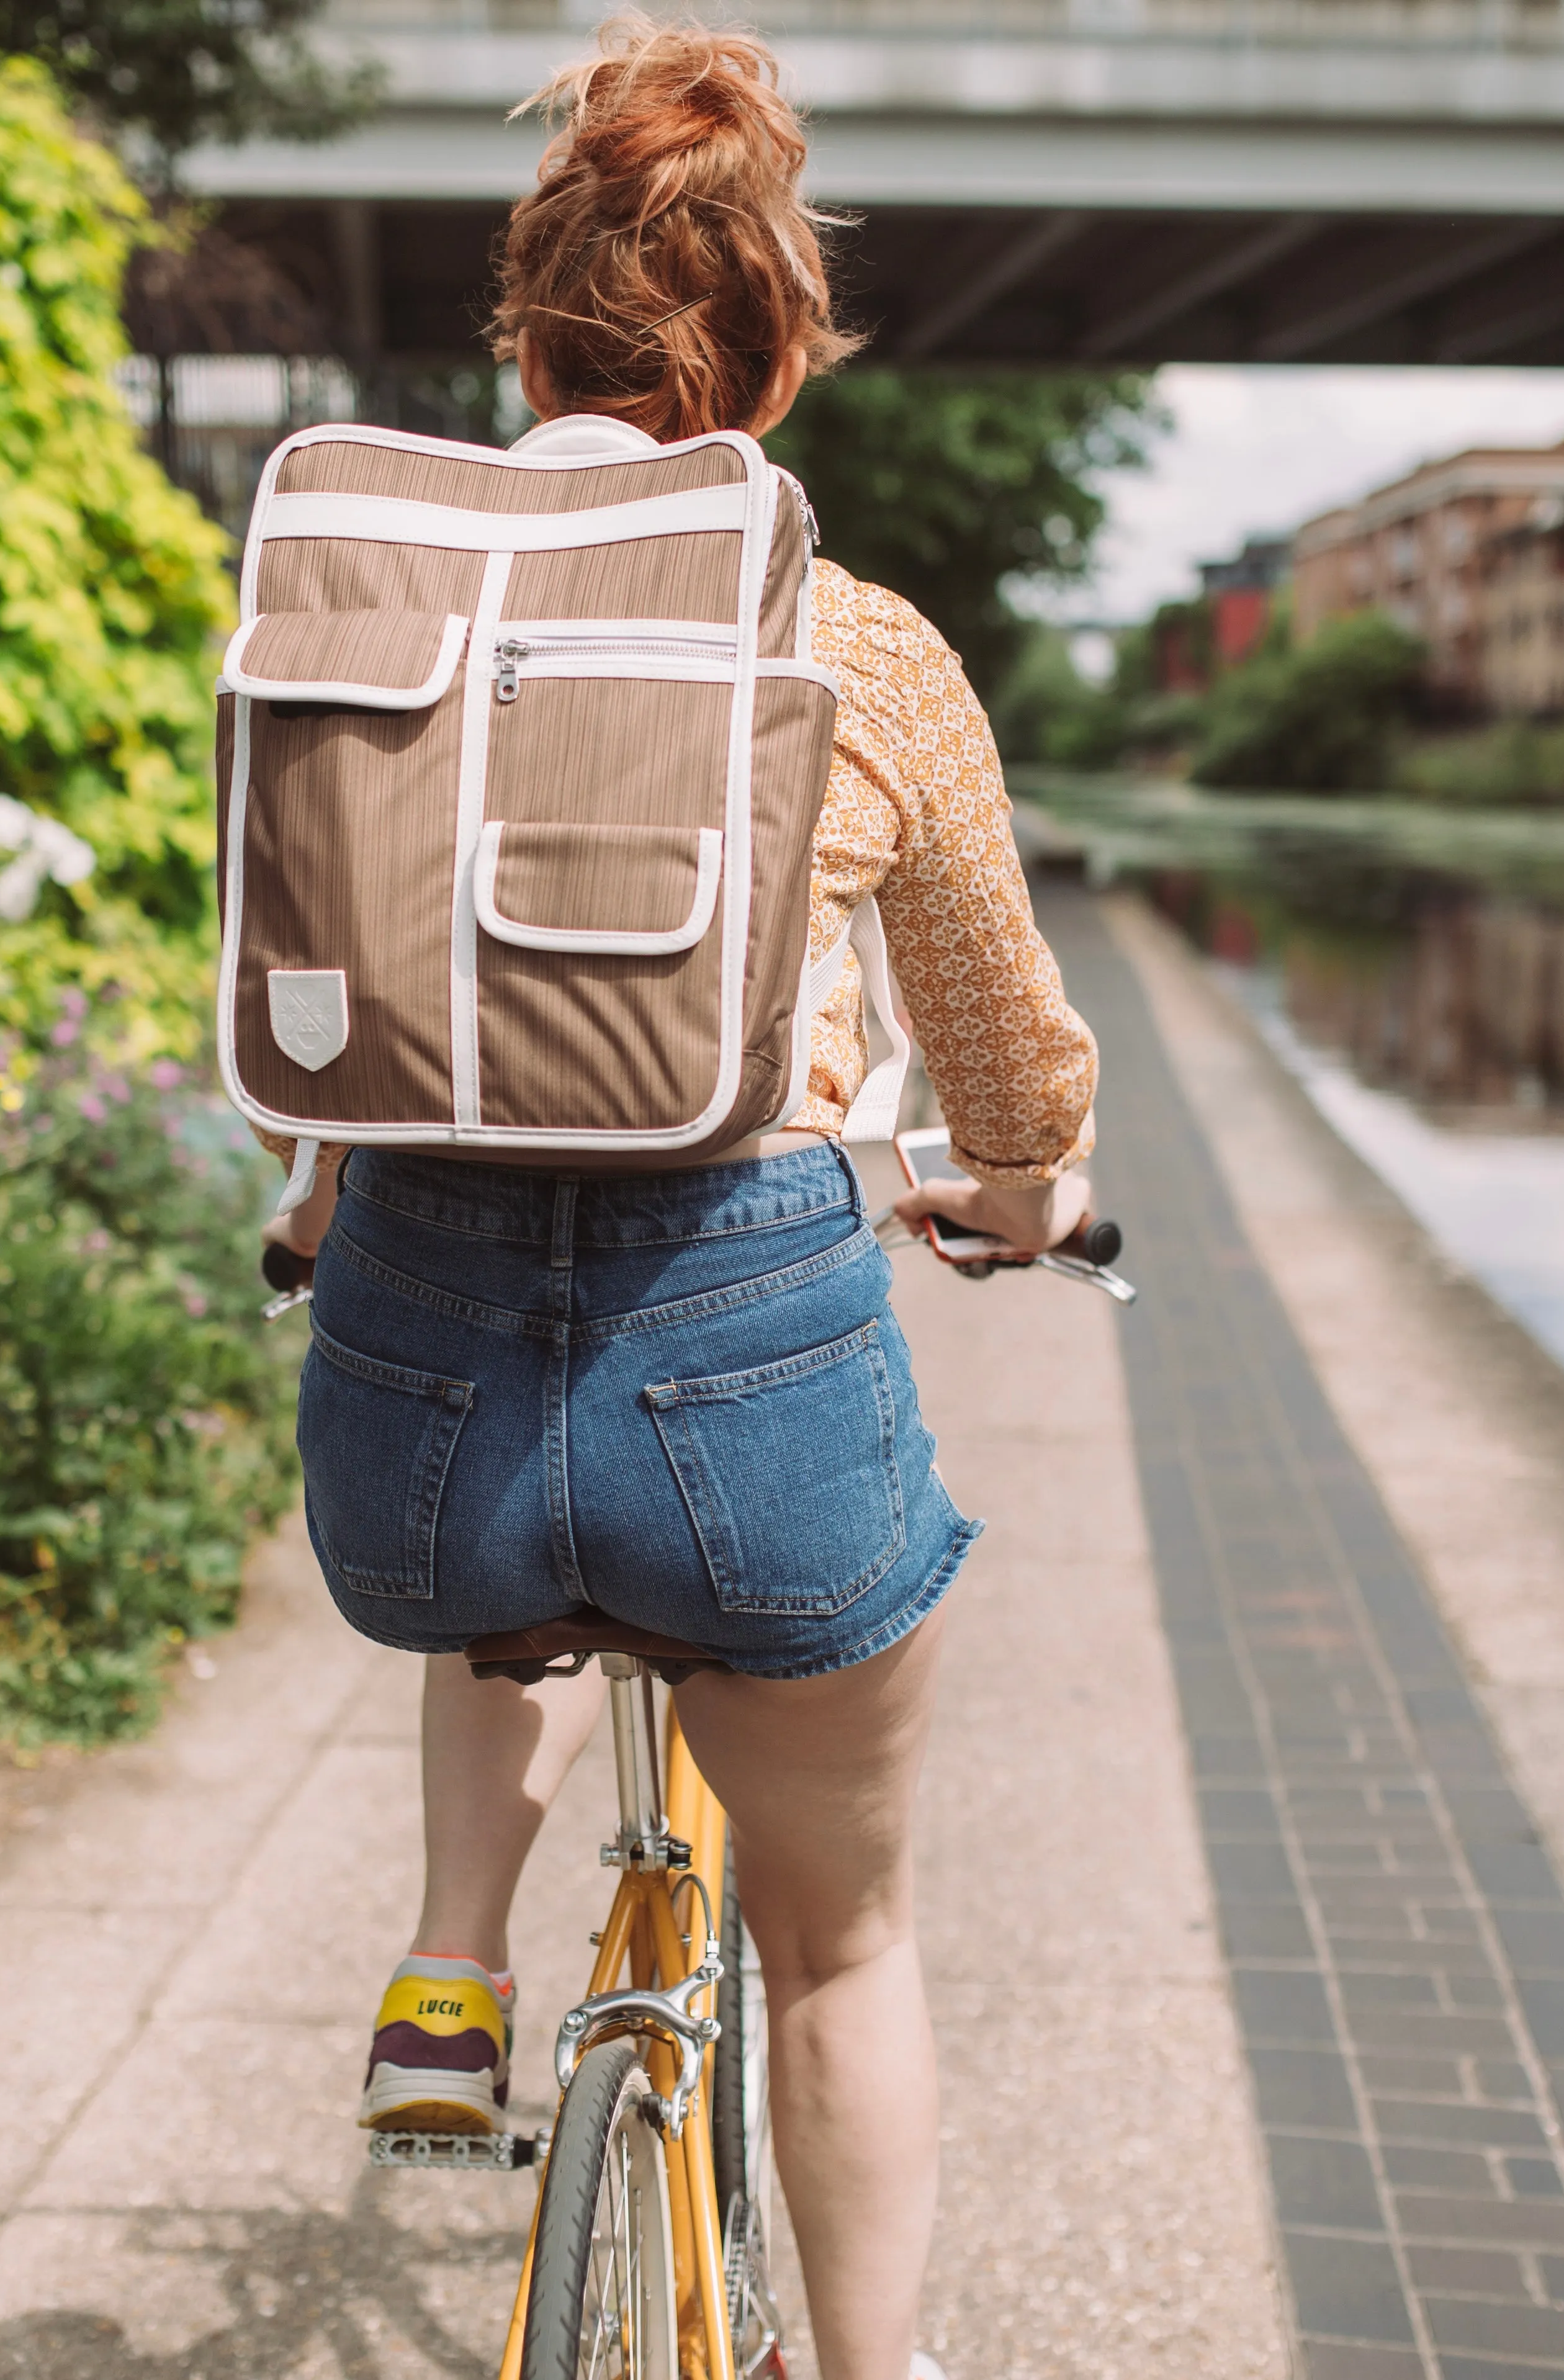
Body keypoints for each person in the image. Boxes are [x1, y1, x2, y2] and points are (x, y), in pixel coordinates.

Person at [259, 20, 1100, 2379]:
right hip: (754, 1379)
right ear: (774, 368)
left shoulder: (382, 628)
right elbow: (1007, 1036)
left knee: (499, 1551)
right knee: (844, 1946)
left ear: (516, 338)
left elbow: (319, 985)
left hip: (420, 1414)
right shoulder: (853, 648)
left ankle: (455, 1961)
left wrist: (330, 1195)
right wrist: (1030, 1185)